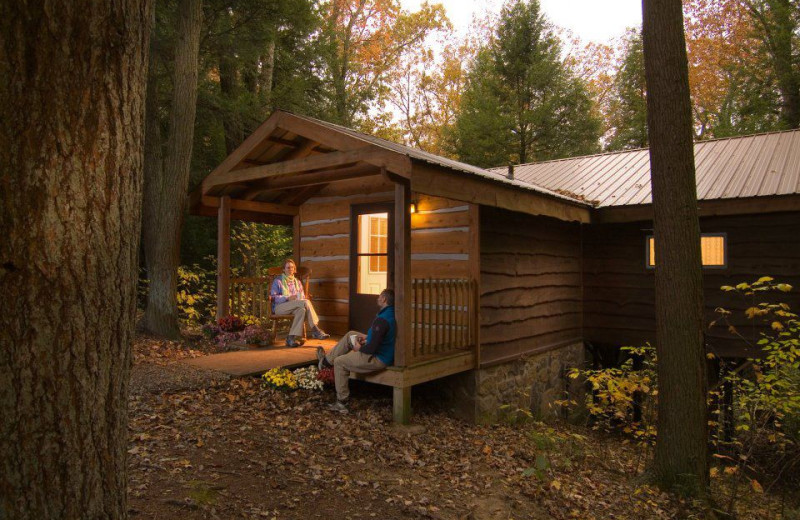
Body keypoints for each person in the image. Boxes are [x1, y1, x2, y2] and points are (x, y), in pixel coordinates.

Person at [316, 288, 395, 412]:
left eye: (379, 296)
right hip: (379, 350)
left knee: (339, 362)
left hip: (376, 358)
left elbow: (372, 348)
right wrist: (367, 338)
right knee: (351, 335)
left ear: (384, 299)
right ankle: (325, 362)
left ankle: (342, 403)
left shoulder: (382, 320)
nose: (378, 298)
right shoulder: (390, 313)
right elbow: (381, 337)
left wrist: (360, 347)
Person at [270, 258, 329, 347]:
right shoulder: (278, 281)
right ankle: (315, 329)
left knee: (302, 310)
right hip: (280, 307)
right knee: (306, 302)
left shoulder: (297, 282)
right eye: (288, 268)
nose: (290, 269)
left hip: (295, 306)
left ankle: (291, 338)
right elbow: (273, 297)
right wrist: (287, 298)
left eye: (292, 268)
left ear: (294, 269)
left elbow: (302, 297)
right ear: (284, 269)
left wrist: (300, 298)